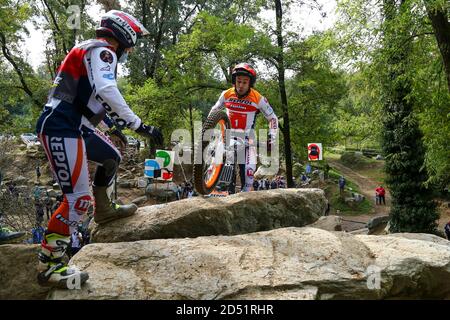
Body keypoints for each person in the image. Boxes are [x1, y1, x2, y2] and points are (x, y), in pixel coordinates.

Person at [34, 10, 163, 289]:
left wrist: (112, 128)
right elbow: (106, 90)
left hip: (74, 123)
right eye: (133, 41)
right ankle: (50, 263)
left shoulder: (90, 50)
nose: (131, 49)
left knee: (111, 157)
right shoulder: (104, 52)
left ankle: (104, 210)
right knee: (79, 200)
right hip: (61, 126)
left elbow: (90, 97)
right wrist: (140, 125)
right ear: (123, 34)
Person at [207, 63, 278, 192]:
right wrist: (208, 127)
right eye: (238, 81)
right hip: (228, 136)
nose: (241, 85)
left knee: (248, 174)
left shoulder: (258, 98)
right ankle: (223, 184)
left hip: (248, 139)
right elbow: (214, 110)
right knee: (223, 154)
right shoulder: (226, 94)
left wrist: (271, 138)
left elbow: (273, 118)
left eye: (245, 82)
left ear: (250, 83)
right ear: (234, 81)